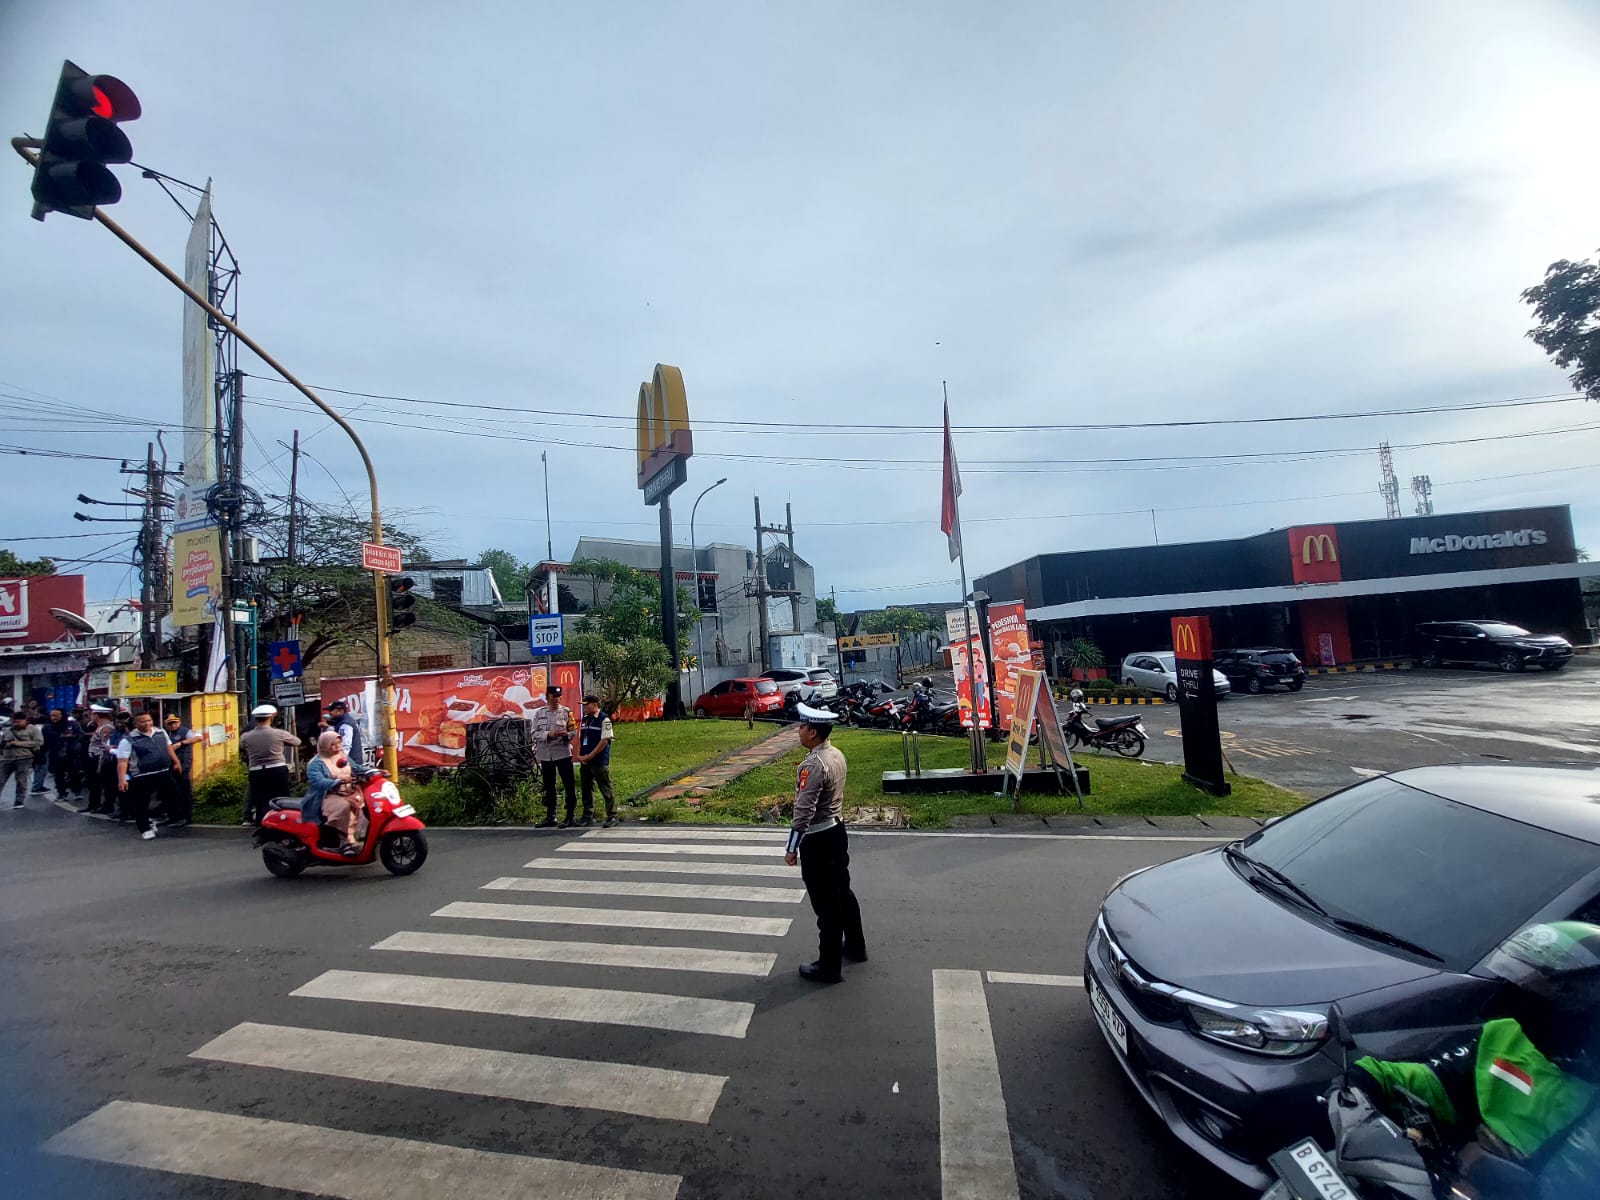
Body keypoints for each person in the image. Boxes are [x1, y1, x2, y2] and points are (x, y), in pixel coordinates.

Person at [1351, 921, 1600, 1198]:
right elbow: (1443, 1081)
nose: (1521, 1005)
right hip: (1443, 1180)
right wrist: (1369, 1079)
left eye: (1535, 996)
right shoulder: (1509, 1033)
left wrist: (1497, 1176)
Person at [785, 702, 866, 983]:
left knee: (825, 905)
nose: (799, 730)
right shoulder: (835, 754)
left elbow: (803, 809)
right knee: (843, 892)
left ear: (814, 733)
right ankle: (856, 946)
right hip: (836, 831)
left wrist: (792, 846)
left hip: (817, 839)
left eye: (803, 727)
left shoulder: (813, 765)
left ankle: (829, 966)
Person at [114, 710, 181, 840]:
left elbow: (169, 747)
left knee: (175, 797)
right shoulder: (128, 739)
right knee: (141, 803)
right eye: (143, 721)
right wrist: (122, 779)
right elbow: (122, 761)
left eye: (149, 720)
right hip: (141, 776)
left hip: (163, 771)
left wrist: (176, 761)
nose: (147, 724)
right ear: (135, 723)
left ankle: (154, 817)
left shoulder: (161, 732)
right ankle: (145, 828)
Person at [301, 730, 362, 855]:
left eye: (339, 743)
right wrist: (337, 782)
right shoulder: (316, 763)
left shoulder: (342, 756)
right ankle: (344, 843)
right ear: (325, 745)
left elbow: (357, 768)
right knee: (343, 807)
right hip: (326, 796)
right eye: (333, 744)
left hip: (348, 792)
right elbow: (318, 781)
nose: (338, 746)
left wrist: (376, 772)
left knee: (365, 804)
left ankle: (359, 836)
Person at [240, 704, 300, 824]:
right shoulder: (279, 734)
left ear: (256, 719)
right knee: (281, 799)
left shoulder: (246, 737)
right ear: (271, 718)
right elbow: (297, 741)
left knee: (260, 800)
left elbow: (242, 747)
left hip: (256, 771)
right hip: (277, 770)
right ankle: (282, 823)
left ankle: (262, 826)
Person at [531, 684, 578, 828]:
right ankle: (551, 816)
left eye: (559, 696)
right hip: (546, 754)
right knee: (549, 786)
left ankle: (570, 816)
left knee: (569, 784)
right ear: (547, 697)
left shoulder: (566, 712)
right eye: (554, 696)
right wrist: (548, 734)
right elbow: (533, 733)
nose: (557, 699)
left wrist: (566, 735)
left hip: (562, 753)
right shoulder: (540, 713)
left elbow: (573, 731)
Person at [578, 694, 616, 828]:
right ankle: (588, 815)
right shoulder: (585, 720)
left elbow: (604, 741)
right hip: (585, 760)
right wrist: (579, 754)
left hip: (599, 760)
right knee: (586, 788)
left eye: (586, 705)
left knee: (605, 787)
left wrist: (591, 756)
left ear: (594, 705)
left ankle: (612, 815)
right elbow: (581, 738)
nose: (584, 708)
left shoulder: (604, 719)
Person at [161, 712, 202, 828]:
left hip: (183, 765)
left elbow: (199, 737)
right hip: (169, 766)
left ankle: (186, 817)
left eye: (175, 723)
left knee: (184, 791)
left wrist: (182, 743)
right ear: (166, 725)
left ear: (179, 722)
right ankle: (173, 816)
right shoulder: (165, 734)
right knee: (171, 792)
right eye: (170, 723)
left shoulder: (185, 731)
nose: (173, 725)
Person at [1, 712, 43, 809]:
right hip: (7, 758)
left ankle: (19, 800)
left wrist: (19, 743)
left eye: (18, 722)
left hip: (24, 758)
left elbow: (38, 742)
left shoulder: (33, 729)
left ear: (25, 720)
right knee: (1, 779)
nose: (15, 724)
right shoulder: (8, 730)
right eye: (14, 722)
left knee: (21, 780)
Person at [40, 708, 83, 800]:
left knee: (74, 774)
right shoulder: (47, 727)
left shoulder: (72, 724)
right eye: (52, 715)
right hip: (55, 754)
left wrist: (72, 736)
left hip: (71, 753)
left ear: (62, 715)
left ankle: (77, 791)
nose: (53, 718)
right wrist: (41, 754)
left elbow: (81, 735)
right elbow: (44, 742)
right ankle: (61, 793)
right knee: (58, 775)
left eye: (56, 715)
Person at [83, 705, 117, 814]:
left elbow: (107, 745)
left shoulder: (106, 727)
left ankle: (107, 806)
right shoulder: (99, 726)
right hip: (94, 757)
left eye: (92, 714)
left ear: (97, 715)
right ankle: (93, 804)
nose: (90, 716)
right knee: (93, 783)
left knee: (105, 784)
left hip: (100, 759)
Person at [325, 701, 365, 765]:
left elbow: (345, 746)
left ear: (340, 711)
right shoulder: (342, 721)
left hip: (351, 763)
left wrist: (340, 762)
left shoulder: (345, 724)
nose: (329, 713)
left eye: (331, 710)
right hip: (350, 762)